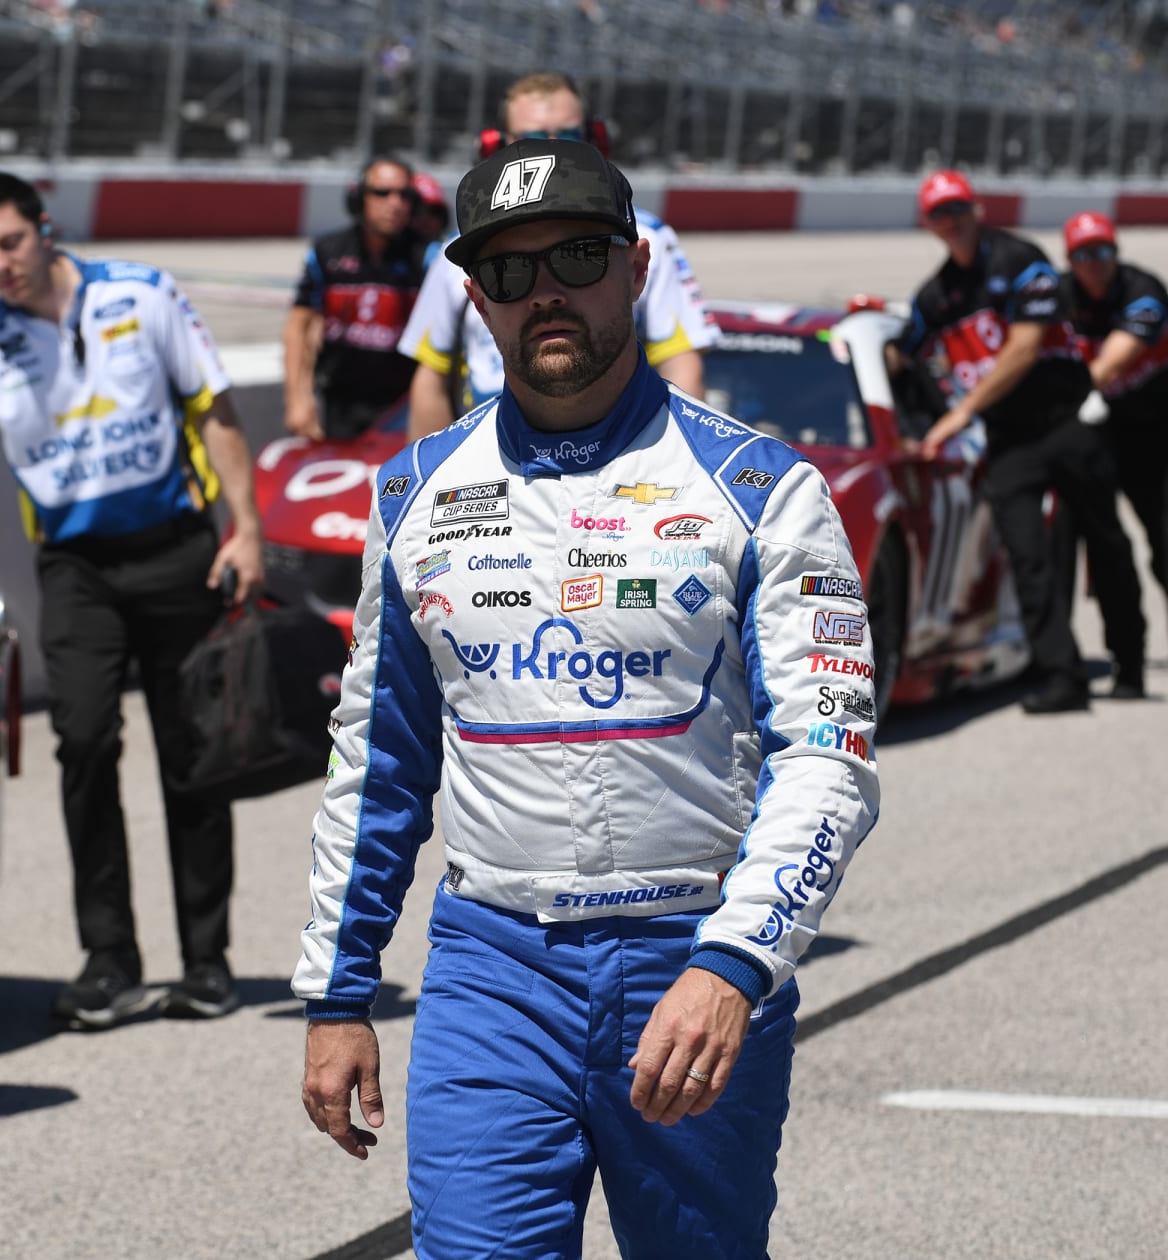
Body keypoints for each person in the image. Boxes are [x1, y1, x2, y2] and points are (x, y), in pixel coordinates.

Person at [296, 137, 879, 1258]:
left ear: (637, 265)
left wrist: (736, 962)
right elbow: (376, 760)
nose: (544, 293)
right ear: (476, 299)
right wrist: (336, 991)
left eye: (575, 257)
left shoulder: (765, 490)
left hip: (692, 954)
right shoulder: (416, 494)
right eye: (509, 272)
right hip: (491, 970)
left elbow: (828, 758)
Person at [0, 172, 266, 1029]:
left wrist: (246, 530)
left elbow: (216, 410)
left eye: (10, 242)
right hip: (76, 569)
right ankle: (109, 960)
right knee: (83, 742)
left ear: (44, 228)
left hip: (180, 552)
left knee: (192, 757)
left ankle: (207, 962)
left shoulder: (143, 295)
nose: (0, 264)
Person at [890, 171, 1145, 711]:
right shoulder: (934, 296)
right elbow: (899, 352)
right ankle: (1062, 675)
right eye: (939, 213)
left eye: (957, 208)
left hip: (1066, 422)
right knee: (1028, 558)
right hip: (1008, 441)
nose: (951, 221)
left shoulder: (1021, 259)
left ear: (977, 208)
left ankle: (1129, 662)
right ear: (928, 224)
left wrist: (960, 414)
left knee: (1107, 545)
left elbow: (1024, 349)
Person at [399, 71, 717, 443]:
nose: (550, 148)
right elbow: (432, 378)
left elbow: (681, 362)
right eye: (532, 139)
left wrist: (675, 458)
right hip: (493, 454)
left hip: (627, 446)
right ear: (494, 146)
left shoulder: (648, 237)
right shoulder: (457, 251)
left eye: (568, 136)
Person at [282, 155, 431, 441]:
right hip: (339, 404)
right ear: (359, 198)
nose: (395, 203)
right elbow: (298, 326)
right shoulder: (327, 252)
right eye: (382, 193)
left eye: (404, 195)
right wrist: (297, 400)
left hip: (404, 410)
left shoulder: (429, 257)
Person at [1059, 210, 1168, 600]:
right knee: (1100, 542)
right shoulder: (1058, 298)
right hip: (1097, 435)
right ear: (1070, 260)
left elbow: (1112, 363)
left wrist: (1065, 393)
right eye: (1084, 254)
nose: (1095, 262)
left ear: (1116, 251)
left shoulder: (1144, 291)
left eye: (1103, 251)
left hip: (1154, 433)